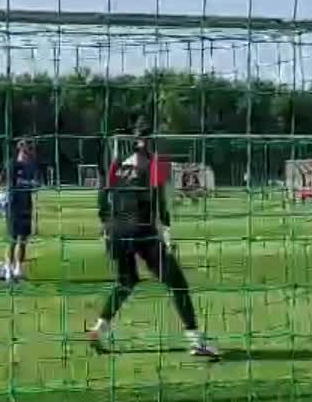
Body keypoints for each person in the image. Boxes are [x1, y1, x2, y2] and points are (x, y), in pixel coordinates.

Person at [88, 118, 219, 360]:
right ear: (149, 140)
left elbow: (102, 198)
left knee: (126, 282)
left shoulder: (117, 165)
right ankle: (195, 341)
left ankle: (99, 329)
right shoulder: (154, 164)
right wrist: (166, 232)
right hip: (141, 230)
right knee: (177, 283)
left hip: (115, 231)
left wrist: (105, 225)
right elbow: (159, 203)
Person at [0, 139, 38, 281]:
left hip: (26, 205)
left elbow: (34, 185)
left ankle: (18, 269)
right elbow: (3, 180)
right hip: (14, 205)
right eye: (28, 147)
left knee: (23, 239)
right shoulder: (12, 164)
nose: (31, 150)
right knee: (12, 239)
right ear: (21, 149)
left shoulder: (31, 166)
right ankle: (9, 269)